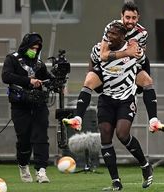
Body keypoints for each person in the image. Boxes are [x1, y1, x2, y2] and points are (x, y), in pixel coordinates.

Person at [63, 22, 153, 190]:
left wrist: (140, 86)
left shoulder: (134, 49)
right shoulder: (99, 49)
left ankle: (145, 165)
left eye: (114, 34)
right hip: (106, 99)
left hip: (126, 98)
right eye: (108, 33)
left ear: (123, 37)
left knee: (122, 134)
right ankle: (116, 181)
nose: (109, 36)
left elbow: (145, 66)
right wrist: (97, 83)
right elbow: (92, 68)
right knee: (105, 136)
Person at [73, 1, 164, 133]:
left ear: (138, 18)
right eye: (127, 17)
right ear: (121, 16)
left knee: (147, 81)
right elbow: (103, 55)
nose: (130, 21)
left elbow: (140, 54)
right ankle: (77, 118)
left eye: (134, 18)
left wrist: (136, 54)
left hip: (128, 67)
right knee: (89, 80)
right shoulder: (112, 28)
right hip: (109, 66)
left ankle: (153, 121)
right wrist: (126, 52)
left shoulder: (142, 33)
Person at [1, 33, 53, 183]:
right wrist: (29, 81)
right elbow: (6, 76)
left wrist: (55, 81)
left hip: (38, 105)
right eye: (32, 47)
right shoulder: (12, 59)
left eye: (37, 48)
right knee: (24, 139)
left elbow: (47, 77)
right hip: (20, 106)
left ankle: (41, 171)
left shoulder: (39, 63)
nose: (34, 50)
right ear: (26, 46)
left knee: (41, 137)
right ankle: (23, 165)